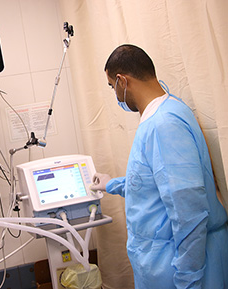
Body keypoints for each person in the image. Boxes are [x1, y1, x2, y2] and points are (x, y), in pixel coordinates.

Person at [91, 44, 228, 289]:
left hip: (176, 268)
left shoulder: (164, 124)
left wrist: (188, 279)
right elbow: (154, 181)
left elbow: (188, 210)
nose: (116, 96)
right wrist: (112, 184)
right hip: (163, 262)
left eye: (113, 87)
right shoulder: (168, 109)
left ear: (122, 81)